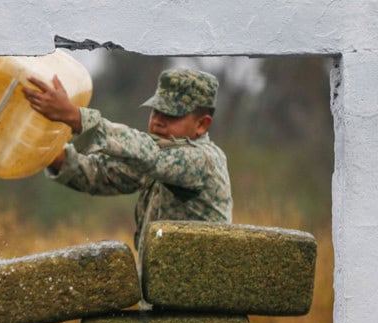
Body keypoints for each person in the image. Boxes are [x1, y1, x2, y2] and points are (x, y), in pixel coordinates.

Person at [23, 67, 232, 249]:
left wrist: (74, 116)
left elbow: (150, 155)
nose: (158, 122)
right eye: (155, 112)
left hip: (197, 293)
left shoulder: (204, 160)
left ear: (202, 124)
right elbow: (101, 174)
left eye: (172, 115)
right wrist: (49, 153)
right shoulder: (157, 161)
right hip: (162, 291)